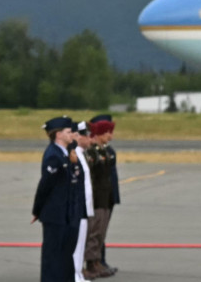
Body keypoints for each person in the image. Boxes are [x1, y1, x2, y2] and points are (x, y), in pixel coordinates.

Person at [33, 116, 76, 282]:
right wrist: (37, 210)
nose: (71, 134)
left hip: (64, 214)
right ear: (58, 134)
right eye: (68, 131)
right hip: (54, 214)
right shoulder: (53, 155)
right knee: (52, 258)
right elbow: (45, 186)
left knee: (64, 257)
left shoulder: (64, 154)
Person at [84, 121, 115, 279]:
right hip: (95, 199)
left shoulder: (104, 152)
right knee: (93, 232)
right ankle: (90, 263)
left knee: (100, 232)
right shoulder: (91, 153)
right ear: (100, 133)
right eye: (108, 132)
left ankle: (96, 261)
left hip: (104, 198)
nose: (111, 135)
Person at [71, 122, 95, 282]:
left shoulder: (80, 154)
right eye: (86, 135)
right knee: (75, 245)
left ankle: (78, 274)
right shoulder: (74, 155)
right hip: (78, 207)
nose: (89, 139)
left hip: (84, 207)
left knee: (80, 245)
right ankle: (74, 275)